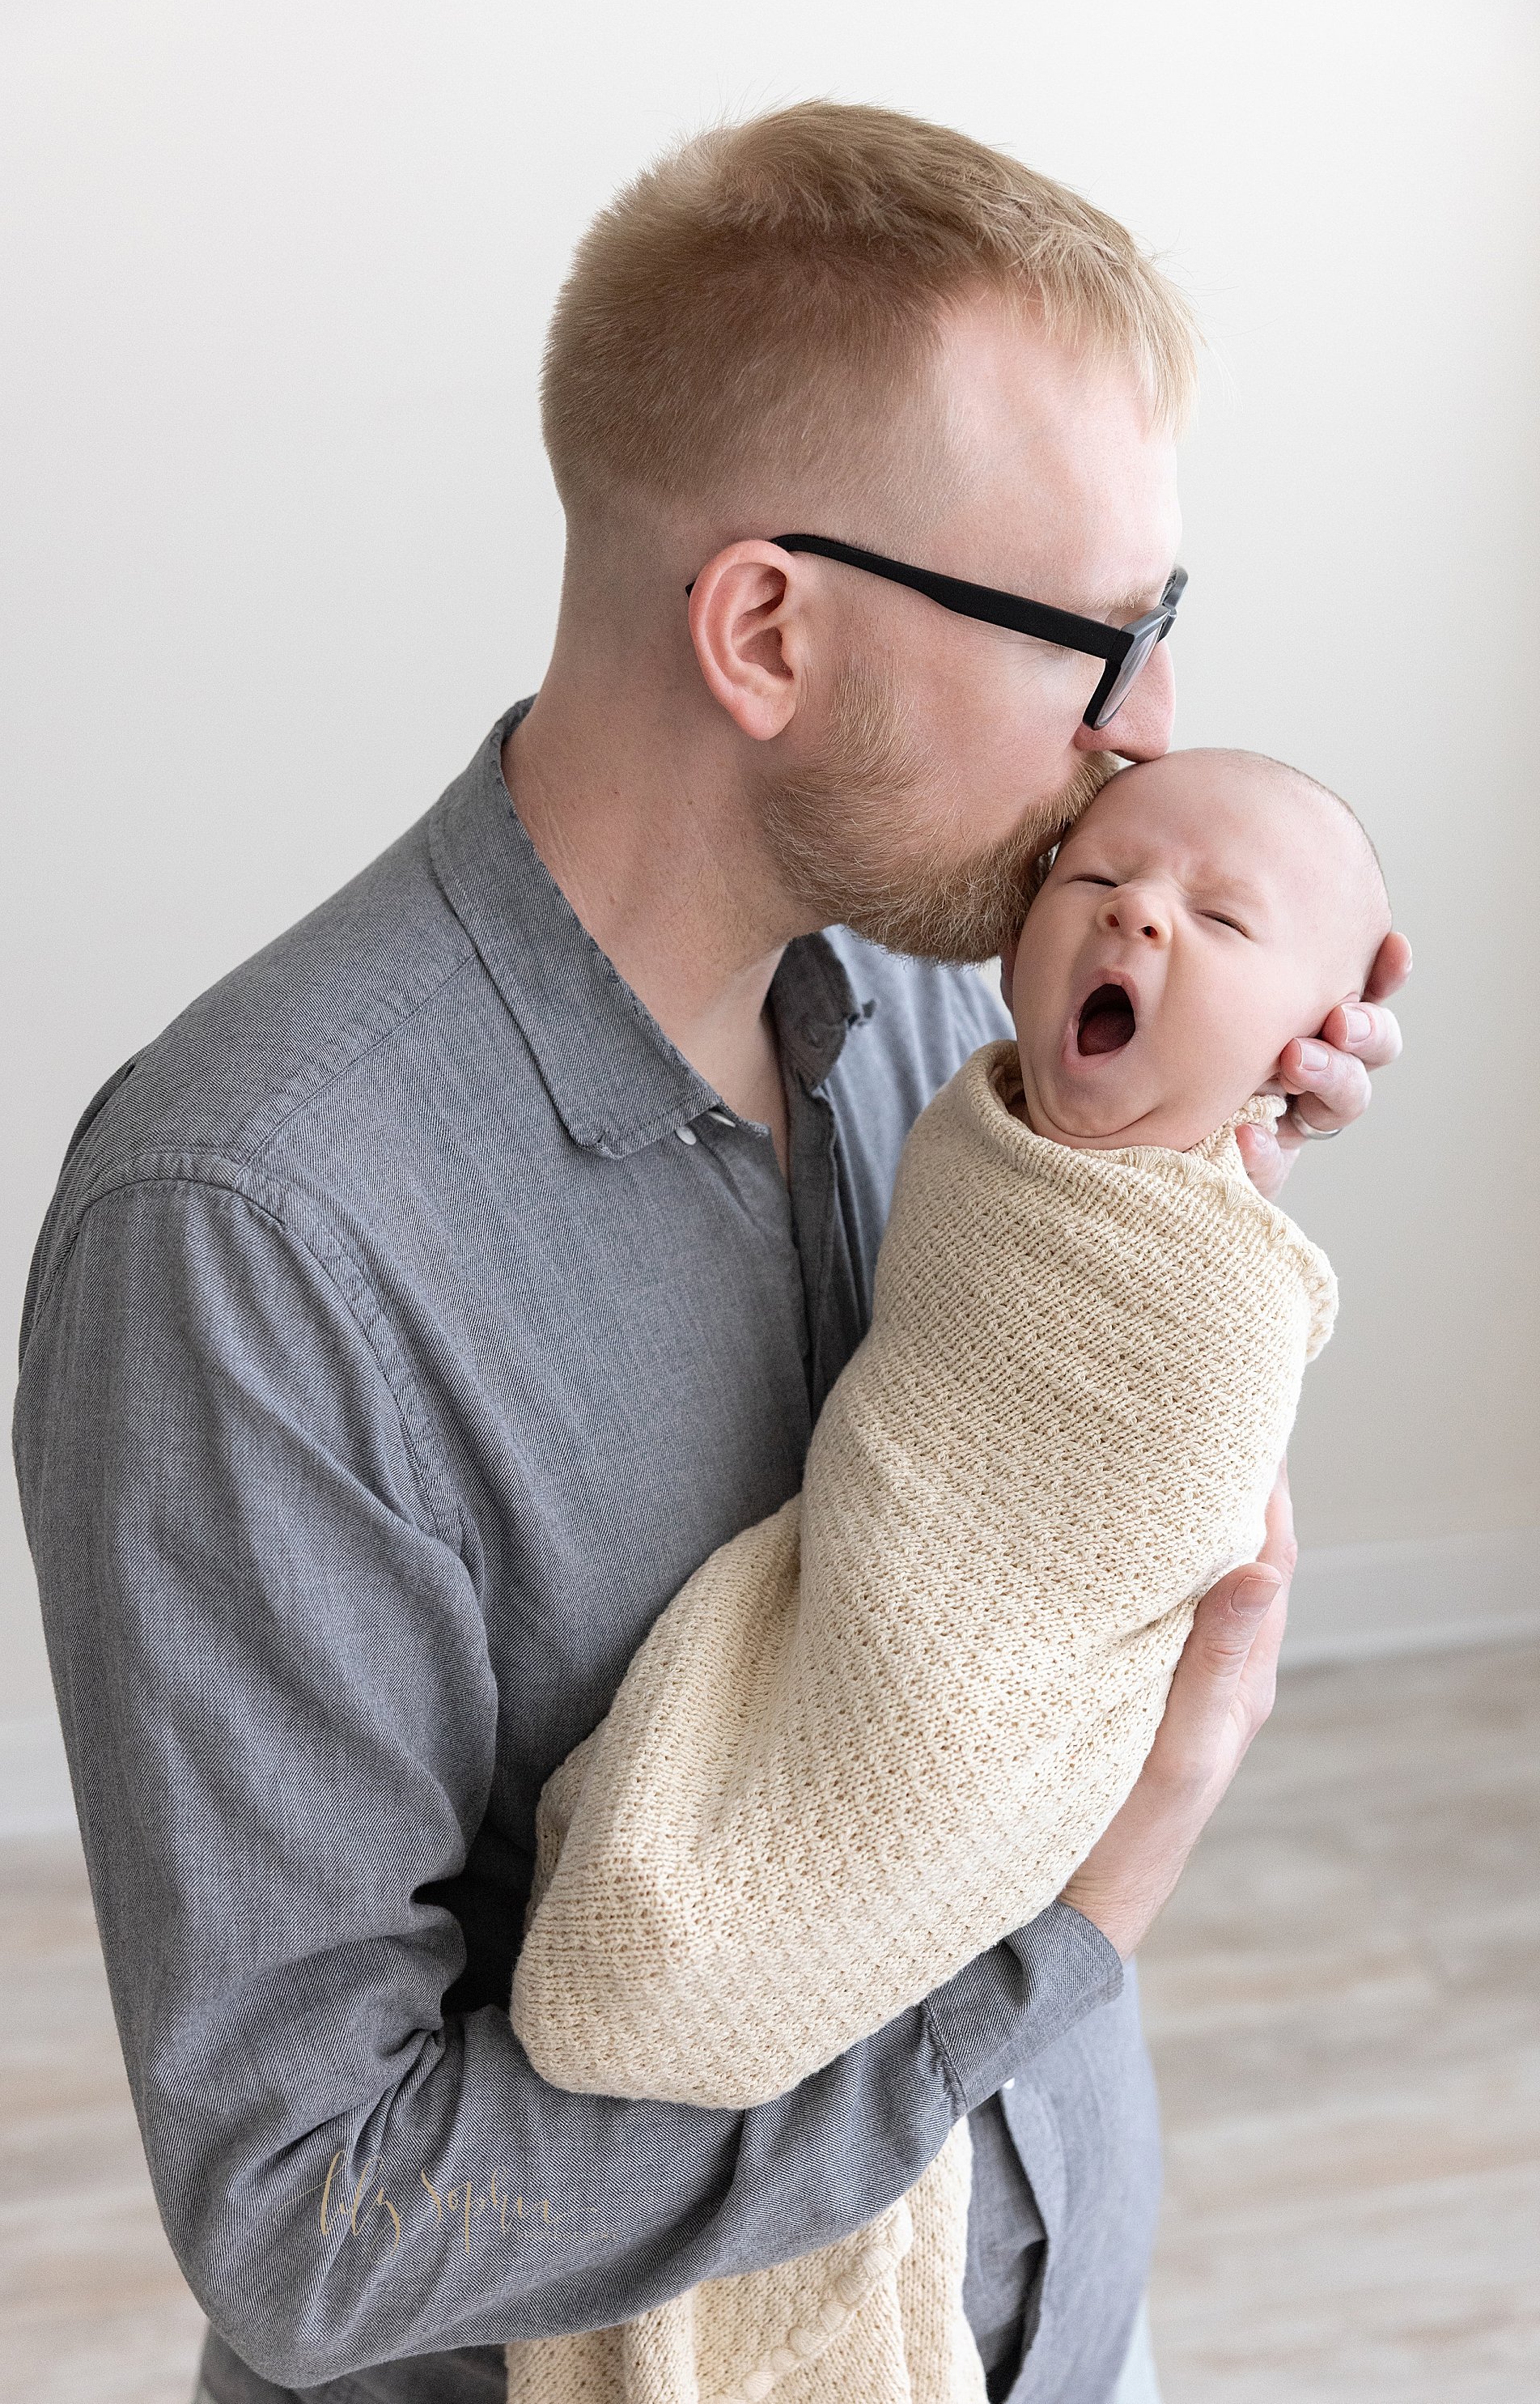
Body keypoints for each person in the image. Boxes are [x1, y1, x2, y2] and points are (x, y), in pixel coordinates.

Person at [11, 104, 1408, 2404]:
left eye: (1174, 625)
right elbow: (312, 2219)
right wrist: (1083, 1923)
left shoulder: (983, 986)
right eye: (1095, 640)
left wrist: (1184, 1182)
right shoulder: (249, 1235)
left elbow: (990, 1547)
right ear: (767, 630)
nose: (1149, 734)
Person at [503, 747, 1391, 2404]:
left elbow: (1109, 1539)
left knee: (767, 1886)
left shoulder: (1216, 1297)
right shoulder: (963, 1113)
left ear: (1310, 1044)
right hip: (848, 1615)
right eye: (1092, 877)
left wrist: (1225, 1166)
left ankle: (717, 1942)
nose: (1135, 906)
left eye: (1218, 914)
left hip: (986, 1732)